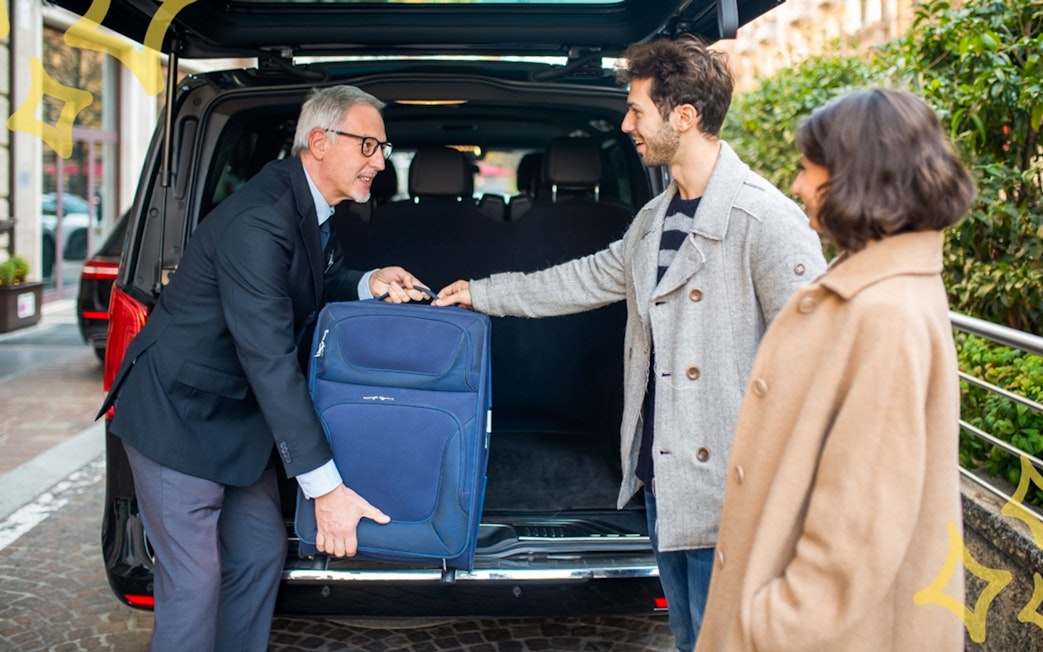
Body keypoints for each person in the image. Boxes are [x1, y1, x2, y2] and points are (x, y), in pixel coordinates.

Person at [433, 36, 826, 651]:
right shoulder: (654, 219)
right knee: (690, 636)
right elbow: (582, 278)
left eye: (637, 110)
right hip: (663, 481)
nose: (626, 124)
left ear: (684, 117)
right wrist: (482, 292)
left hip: (736, 497)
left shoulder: (766, 222)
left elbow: (818, 367)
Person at [98, 85, 428, 652]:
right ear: (320, 142)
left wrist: (368, 283)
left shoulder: (309, 203)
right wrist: (325, 489)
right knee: (196, 581)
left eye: (383, 146)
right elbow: (270, 359)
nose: (381, 161)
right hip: (178, 415)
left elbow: (307, 284)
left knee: (258, 552)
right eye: (368, 145)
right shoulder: (261, 219)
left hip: (234, 416)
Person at [694, 88, 978, 652]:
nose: (797, 185)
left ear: (855, 176)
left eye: (806, 169)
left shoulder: (884, 314)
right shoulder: (881, 288)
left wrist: (765, 627)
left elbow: (857, 535)